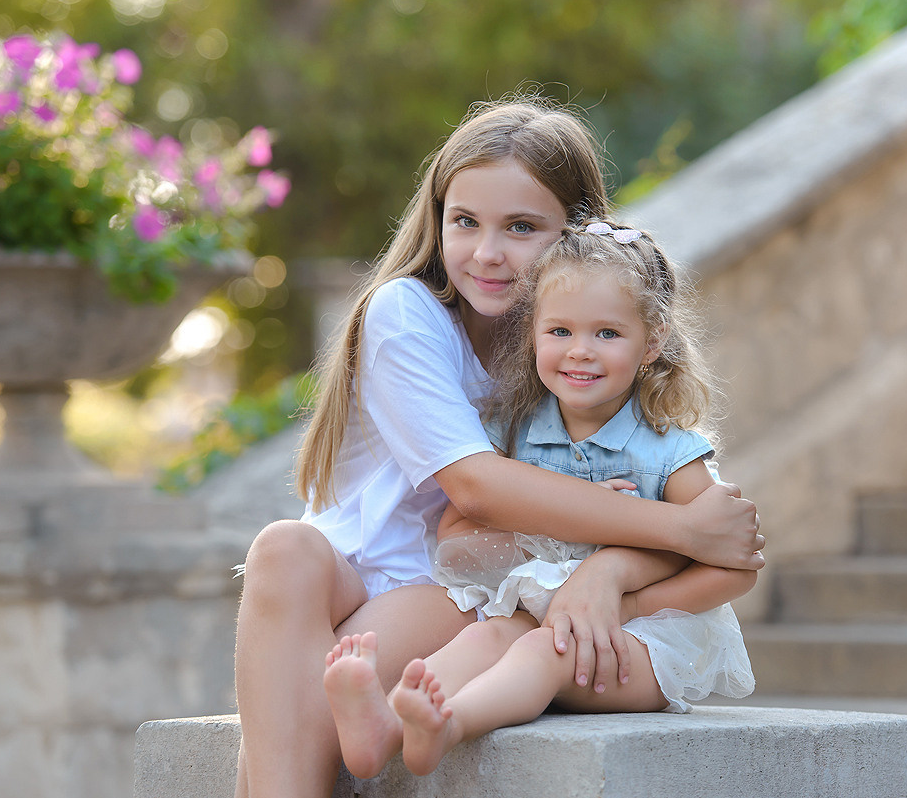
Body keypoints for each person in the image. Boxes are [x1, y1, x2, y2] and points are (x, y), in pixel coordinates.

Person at [233, 97, 765, 798]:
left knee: (293, 718)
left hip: (460, 589)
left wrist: (613, 568)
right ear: (438, 220)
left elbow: (664, 494)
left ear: (574, 236)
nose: (487, 253)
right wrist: (683, 528)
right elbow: (476, 488)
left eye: (520, 227)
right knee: (281, 547)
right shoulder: (408, 311)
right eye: (465, 222)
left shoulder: (574, 352)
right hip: (371, 570)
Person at [323, 221, 757, 777]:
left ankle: (449, 725)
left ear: (651, 343)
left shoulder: (668, 452)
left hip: (643, 644)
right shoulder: (517, 435)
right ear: (532, 335)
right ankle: (382, 729)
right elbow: (455, 541)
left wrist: (627, 607)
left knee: (539, 649)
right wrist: (564, 522)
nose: (580, 351)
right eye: (559, 331)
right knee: (488, 635)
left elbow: (735, 567)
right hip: (544, 622)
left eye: (607, 333)